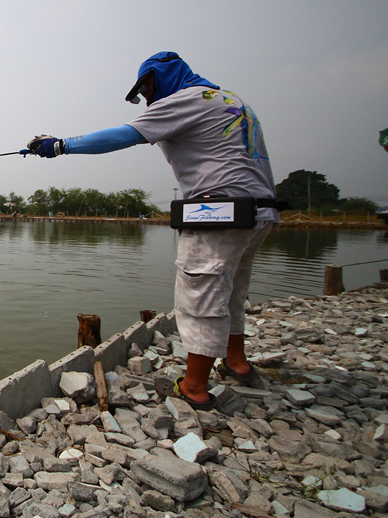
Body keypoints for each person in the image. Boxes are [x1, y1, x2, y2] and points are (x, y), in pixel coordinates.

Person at [24, 51, 278, 410]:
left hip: (219, 214)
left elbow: (126, 135)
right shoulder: (231, 101)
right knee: (232, 291)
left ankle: (193, 387)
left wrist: (61, 145)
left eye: (145, 89)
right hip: (260, 213)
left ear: (158, 77)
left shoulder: (185, 99)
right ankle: (236, 363)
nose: (145, 99)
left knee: (200, 298)